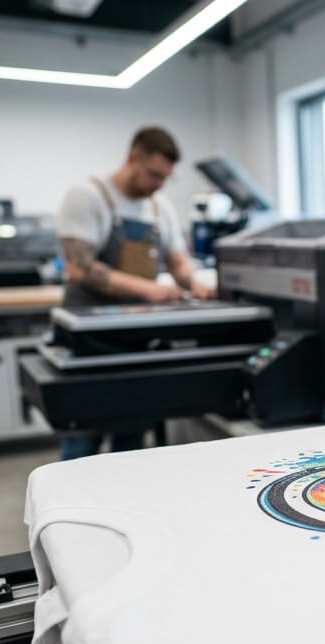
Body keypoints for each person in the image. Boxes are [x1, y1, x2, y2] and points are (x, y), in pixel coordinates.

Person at [55, 126, 214, 461]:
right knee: (82, 444)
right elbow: (79, 268)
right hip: (89, 343)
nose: (158, 184)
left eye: (165, 178)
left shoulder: (160, 209)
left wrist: (195, 284)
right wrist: (151, 290)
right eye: (153, 174)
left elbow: (177, 263)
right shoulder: (88, 196)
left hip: (135, 341)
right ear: (132, 159)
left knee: (130, 446)